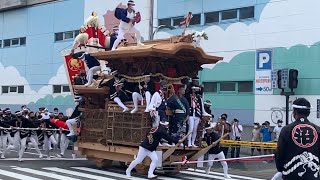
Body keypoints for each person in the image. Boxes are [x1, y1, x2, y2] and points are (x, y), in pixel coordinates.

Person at [274, 98, 320, 180]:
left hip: (291, 175)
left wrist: (280, 169)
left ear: (294, 113)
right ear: (308, 113)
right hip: (313, 175)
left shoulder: (286, 130)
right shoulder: (317, 129)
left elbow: (280, 153)